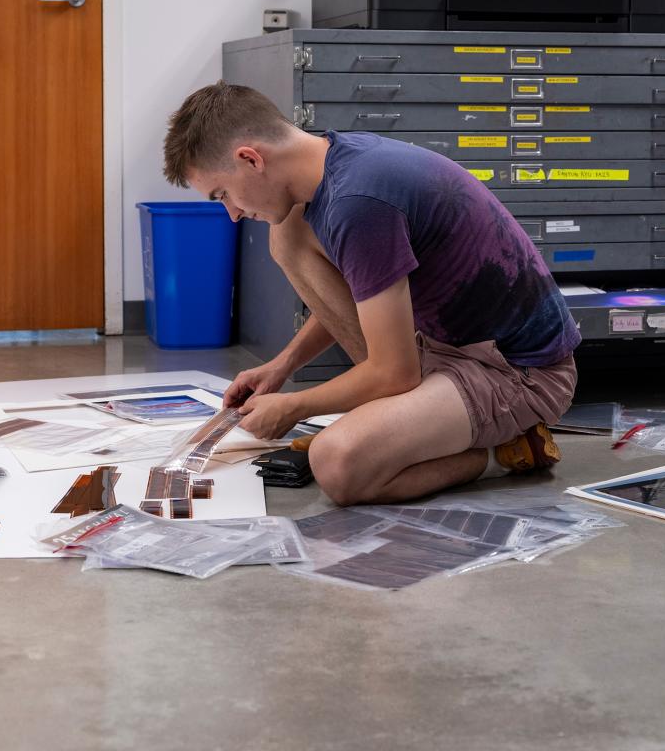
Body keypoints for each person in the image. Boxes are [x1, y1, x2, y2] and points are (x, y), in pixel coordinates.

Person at [162, 83, 580, 506]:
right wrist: (282, 367)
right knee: (286, 233)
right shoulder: (332, 163)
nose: (232, 214)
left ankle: (505, 452)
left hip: (517, 373)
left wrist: (294, 406)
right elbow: (367, 289)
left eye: (223, 195)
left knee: (339, 463)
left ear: (250, 159)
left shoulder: (359, 202)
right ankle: (403, 422)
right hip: (445, 345)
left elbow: (395, 373)